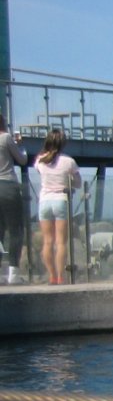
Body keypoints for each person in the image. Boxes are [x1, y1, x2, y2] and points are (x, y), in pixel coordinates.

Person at [34, 129, 82, 285]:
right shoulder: (69, 161)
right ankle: (61, 276)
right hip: (61, 199)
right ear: (63, 143)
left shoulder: (40, 160)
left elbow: (40, 170)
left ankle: (52, 276)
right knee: (61, 242)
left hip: (44, 201)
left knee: (47, 242)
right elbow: (78, 183)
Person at [0, 114, 26, 283]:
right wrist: (20, 146)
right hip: (8, 186)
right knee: (15, 231)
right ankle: (14, 274)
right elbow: (22, 160)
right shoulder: (6, 137)